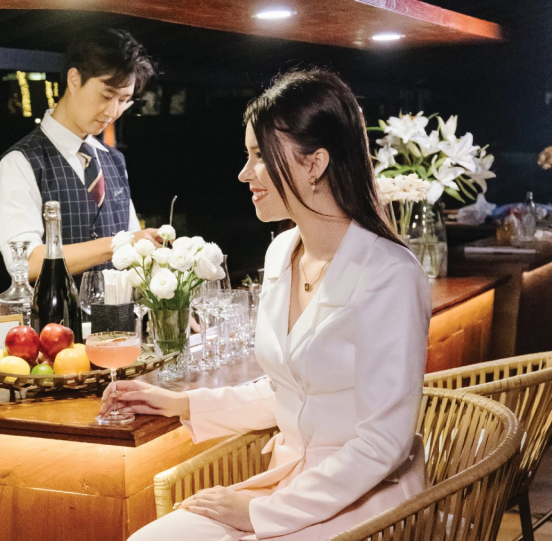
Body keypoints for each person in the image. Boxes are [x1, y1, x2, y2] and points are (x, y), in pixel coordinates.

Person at [106, 69, 431, 540]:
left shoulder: (391, 274)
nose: (244, 173)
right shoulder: (281, 252)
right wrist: (180, 404)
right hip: (288, 484)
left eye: (259, 156)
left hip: (368, 501)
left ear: (315, 163)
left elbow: (383, 443)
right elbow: (289, 393)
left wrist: (261, 513)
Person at [0, 28, 162, 280]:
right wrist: (117, 244)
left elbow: (135, 252)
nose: (112, 111)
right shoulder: (20, 162)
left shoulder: (114, 160)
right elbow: (26, 264)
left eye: (123, 100)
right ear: (74, 80)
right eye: (106, 95)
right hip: (57, 308)